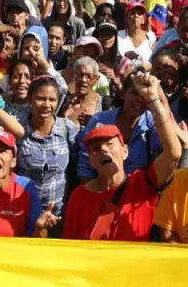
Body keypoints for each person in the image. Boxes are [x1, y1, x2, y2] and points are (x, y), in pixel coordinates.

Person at [63, 72, 181, 241]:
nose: (103, 150)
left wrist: (154, 100)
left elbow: (174, 153)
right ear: (90, 159)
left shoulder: (143, 186)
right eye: (96, 148)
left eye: (110, 144)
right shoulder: (79, 197)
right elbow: (69, 247)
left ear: (125, 151)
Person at [78, 73, 164, 182]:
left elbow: (168, 151)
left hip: (136, 194)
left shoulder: (152, 122)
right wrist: (93, 194)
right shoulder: (99, 120)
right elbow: (85, 164)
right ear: (123, 94)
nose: (140, 99)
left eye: (145, 95)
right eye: (135, 93)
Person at [16, 76, 78, 216]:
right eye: (40, 98)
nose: (46, 105)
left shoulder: (67, 128)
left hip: (57, 213)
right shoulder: (19, 128)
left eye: (52, 100)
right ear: (30, 99)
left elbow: (76, 162)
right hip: (23, 210)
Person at [153, 48, 188, 124]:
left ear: (178, 64)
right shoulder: (155, 91)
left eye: (166, 66)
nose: (162, 72)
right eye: (157, 69)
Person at [61, 57, 103, 129]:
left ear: (96, 79)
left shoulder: (104, 103)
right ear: (74, 76)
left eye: (88, 76)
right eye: (80, 75)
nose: (83, 80)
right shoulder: (64, 102)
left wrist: (94, 124)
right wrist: (64, 117)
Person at [117, 2, 157, 68]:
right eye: (132, 13)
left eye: (139, 13)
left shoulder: (150, 36)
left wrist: (146, 67)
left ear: (143, 20)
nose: (136, 15)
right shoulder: (118, 35)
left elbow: (155, 60)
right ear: (126, 18)